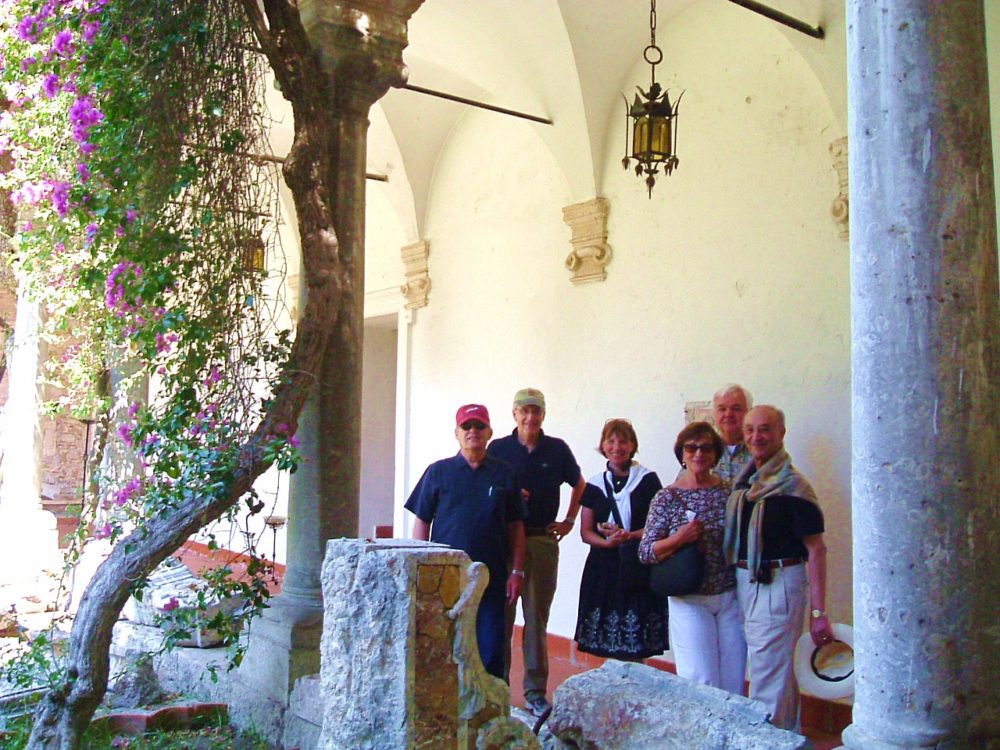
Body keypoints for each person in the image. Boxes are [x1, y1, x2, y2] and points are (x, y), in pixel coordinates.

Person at [723, 405, 834, 731]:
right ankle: (786, 738)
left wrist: (818, 613)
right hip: (746, 583)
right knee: (775, 673)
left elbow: (816, 551)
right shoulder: (745, 484)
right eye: (750, 430)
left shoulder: (794, 488)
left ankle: (766, 740)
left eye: (765, 429)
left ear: (781, 433)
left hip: (779, 585)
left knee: (767, 676)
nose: (757, 436)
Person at [406, 403, 526, 681]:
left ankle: (493, 709)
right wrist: (422, 568)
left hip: (492, 577)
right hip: (446, 578)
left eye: (479, 426)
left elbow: (516, 527)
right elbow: (422, 521)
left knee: (492, 647)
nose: (473, 431)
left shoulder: (504, 473)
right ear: (457, 433)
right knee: (444, 644)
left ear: (489, 433)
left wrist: (517, 572)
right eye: (467, 426)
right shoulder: (438, 472)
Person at [487, 387, 586, 717]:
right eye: (524, 410)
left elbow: (579, 484)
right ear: (514, 413)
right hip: (502, 543)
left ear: (543, 414)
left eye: (537, 411)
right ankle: (496, 686)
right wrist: (510, 495)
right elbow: (487, 488)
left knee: (536, 619)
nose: (531, 417)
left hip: (541, 541)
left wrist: (570, 520)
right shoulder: (498, 449)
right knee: (500, 617)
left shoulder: (556, 450)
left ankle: (535, 692)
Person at [638, 421, 746, 694]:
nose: (699, 454)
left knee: (734, 681)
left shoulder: (728, 493)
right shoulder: (667, 497)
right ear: (682, 454)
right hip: (689, 598)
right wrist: (679, 539)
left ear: (715, 454)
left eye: (706, 448)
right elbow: (646, 551)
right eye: (692, 447)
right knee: (702, 681)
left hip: (729, 596)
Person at [575, 419, 668, 660]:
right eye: (611, 441)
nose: (617, 447)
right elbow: (586, 531)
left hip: (636, 565)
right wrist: (607, 542)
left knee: (636, 640)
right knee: (607, 640)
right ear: (603, 446)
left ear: (632, 445)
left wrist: (630, 536)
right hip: (604, 568)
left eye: (623, 441)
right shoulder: (595, 484)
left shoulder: (647, 481)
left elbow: (658, 524)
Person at [711, 383, 754, 483]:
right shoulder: (701, 451)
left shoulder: (761, 451)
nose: (728, 414)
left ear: (749, 413)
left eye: (736, 409)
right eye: (722, 409)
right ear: (714, 413)